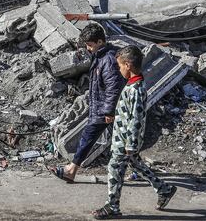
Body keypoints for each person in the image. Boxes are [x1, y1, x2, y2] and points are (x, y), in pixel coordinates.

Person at [92, 45, 177, 219]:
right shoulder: (132, 86)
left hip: (125, 141)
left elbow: (136, 118)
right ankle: (164, 189)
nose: (119, 69)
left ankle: (112, 206)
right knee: (137, 164)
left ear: (128, 65)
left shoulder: (136, 89)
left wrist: (131, 143)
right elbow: (128, 114)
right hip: (123, 138)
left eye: (120, 66)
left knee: (114, 168)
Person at [51, 23, 125, 183]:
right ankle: (140, 171)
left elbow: (114, 87)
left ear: (100, 42)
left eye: (90, 45)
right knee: (121, 142)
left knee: (88, 137)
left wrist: (108, 111)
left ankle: (71, 170)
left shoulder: (108, 59)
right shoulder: (101, 57)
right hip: (102, 107)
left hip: (105, 109)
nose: (88, 48)